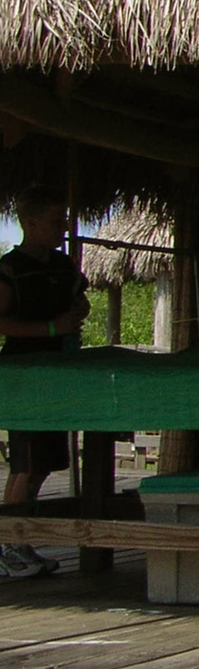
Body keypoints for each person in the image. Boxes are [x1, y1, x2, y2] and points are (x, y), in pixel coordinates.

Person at [0, 187, 89, 578]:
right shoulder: (9, 270)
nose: (63, 227)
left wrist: (76, 311)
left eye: (65, 219)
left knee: (46, 461)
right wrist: (50, 327)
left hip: (60, 370)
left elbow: (78, 302)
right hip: (25, 374)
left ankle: (21, 540)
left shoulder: (64, 266)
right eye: (56, 221)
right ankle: (7, 543)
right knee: (26, 461)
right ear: (30, 223)